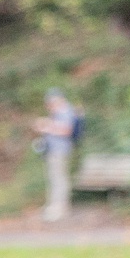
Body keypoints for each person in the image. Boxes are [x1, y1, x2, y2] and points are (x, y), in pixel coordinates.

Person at [34, 89, 81, 222]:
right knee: (55, 178)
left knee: (59, 178)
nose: (49, 106)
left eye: (51, 102)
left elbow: (67, 130)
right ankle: (55, 206)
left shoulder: (66, 111)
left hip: (60, 150)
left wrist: (47, 126)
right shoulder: (58, 113)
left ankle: (59, 208)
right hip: (53, 150)